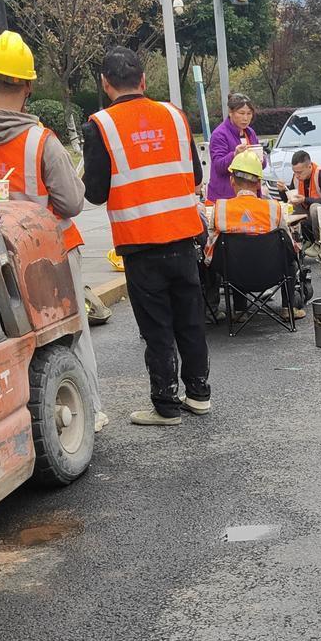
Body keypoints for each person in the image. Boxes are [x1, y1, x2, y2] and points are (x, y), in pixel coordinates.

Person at [0, 31, 108, 433]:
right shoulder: (40, 141)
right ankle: (87, 410)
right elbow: (72, 202)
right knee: (70, 334)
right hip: (51, 255)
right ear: (28, 87)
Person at [83, 46, 211, 427]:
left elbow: (95, 193)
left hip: (140, 244)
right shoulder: (174, 116)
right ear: (142, 80)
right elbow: (196, 175)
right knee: (190, 320)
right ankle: (199, 394)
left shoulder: (100, 126)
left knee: (157, 328)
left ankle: (166, 405)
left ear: (105, 84)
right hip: (183, 237)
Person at [208, 151, 305, 319]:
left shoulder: (220, 209)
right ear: (259, 183)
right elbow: (289, 247)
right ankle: (288, 308)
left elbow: (210, 250)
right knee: (289, 260)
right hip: (271, 274)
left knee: (230, 255)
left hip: (234, 276)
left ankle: (239, 310)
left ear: (232, 180)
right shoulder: (273, 208)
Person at [207, 93, 264, 202]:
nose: (245, 118)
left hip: (250, 195)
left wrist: (261, 158)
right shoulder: (219, 134)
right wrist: (234, 155)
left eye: (249, 113)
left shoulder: (250, 133)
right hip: (225, 196)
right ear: (230, 112)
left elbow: (262, 165)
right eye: (241, 113)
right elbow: (218, 166)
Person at [276, 150, 321, 247]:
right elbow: (288, 200)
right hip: (307, 212)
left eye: (299, 172)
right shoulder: (296, 177)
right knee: (286, 207)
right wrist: (282, 191)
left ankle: (319, 243)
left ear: (309, 167)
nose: (297, 175)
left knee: (314, 208)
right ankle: (294, 242)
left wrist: (304, 200)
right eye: (294, 172)